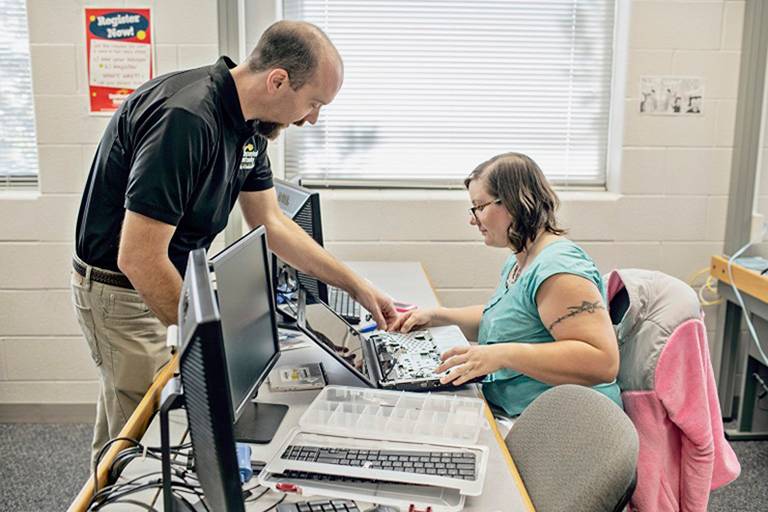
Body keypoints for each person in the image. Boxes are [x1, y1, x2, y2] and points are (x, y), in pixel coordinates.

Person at [71, 20, 398, 463]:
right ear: (278, 80)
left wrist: (355, 285)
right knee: (141, 436)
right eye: (313, 102)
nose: (312, 118)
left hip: (165, 276)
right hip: (125, 290)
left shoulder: (249, 128)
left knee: (134, 420)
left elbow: (271, 223)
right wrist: (210, 352)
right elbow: (139, 257)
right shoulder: (185, 119)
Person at [390, 152, 621, 417]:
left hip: (569, 424)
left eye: (479, 206)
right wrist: (437, 316)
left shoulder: (559, 270)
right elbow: (506, 321)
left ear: (513, 202)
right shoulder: (521, 259)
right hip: (526, 413)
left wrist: (502, 355)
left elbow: (602, 361)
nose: (472, 219)